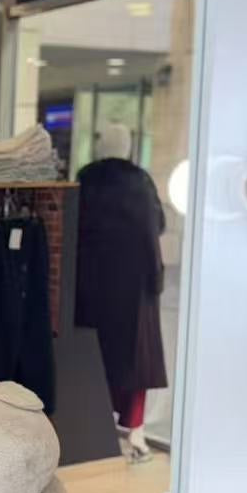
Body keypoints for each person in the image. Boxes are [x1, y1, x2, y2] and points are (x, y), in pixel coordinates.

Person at [75, 122, 168, 463]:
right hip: (135, 287)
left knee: (94, 357)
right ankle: (135, 435)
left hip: (91, 284)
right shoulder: (140, 181)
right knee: (134, 361)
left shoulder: (86, 179)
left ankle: (92, 430)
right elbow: (156, 226)